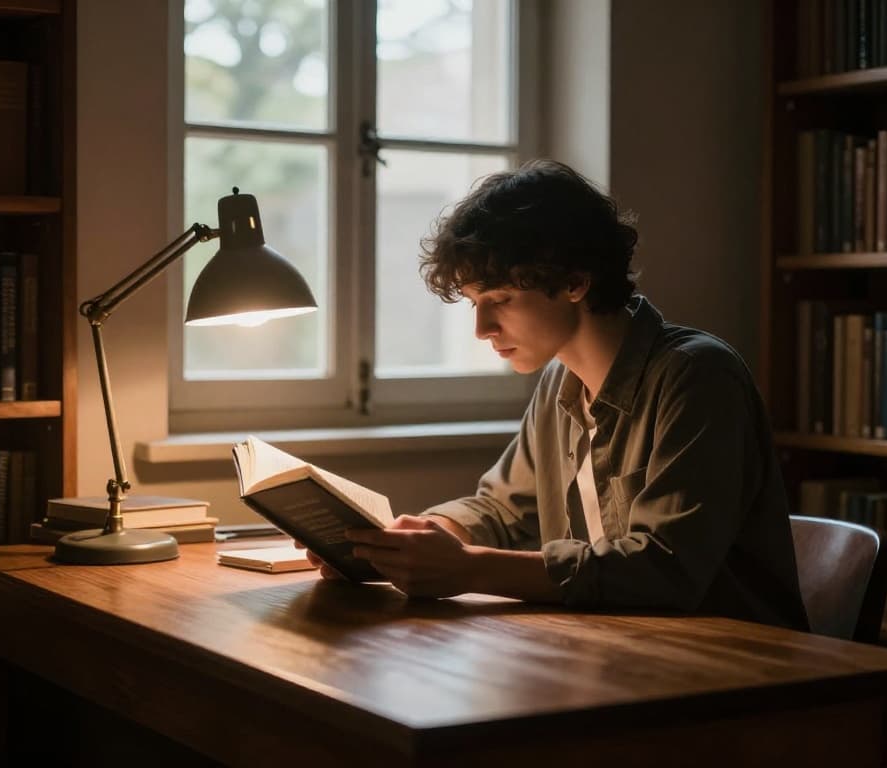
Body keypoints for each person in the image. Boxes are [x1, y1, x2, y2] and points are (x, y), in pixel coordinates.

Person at [302, 158, 809, 630]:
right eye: (476, 303)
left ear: (574, 282)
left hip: (735, 670)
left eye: (499, 299)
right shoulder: (558, 383)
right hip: (623, 649)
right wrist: (411, 540)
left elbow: (665, 568)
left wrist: (471, 570)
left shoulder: (697, 375)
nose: (481, 327)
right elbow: (501, 509)